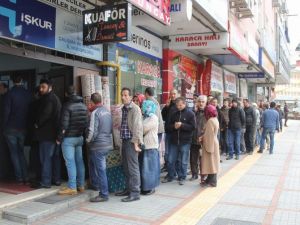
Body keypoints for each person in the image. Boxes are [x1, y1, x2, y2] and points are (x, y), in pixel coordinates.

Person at [57, 86, 88, 195]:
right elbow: (86, 123)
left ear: (66, 94)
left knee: (70, 163)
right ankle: (81, 185)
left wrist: (59, 138)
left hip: (69, 139)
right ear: (76, 93)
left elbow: (64, 125)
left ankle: (72, 187)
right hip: (79, 138)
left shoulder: (67, 106)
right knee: (79, 161)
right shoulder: (84, 106)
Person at [115, 87, 143, 202]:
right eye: (122, 95)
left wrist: (136, 143)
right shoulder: (124, 109)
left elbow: (137, 127)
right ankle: (128, 189)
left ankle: (135, 192)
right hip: (125, 140)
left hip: (132, 141)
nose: (123, 97)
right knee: (126, 167)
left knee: (133, 168)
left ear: (131, 97)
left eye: (126, 95)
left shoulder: (135, 109)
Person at [3, 76, 32, 184]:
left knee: (14, 153)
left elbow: (6, 112)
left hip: (10, 127)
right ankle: (26, 177)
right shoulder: (27, 94)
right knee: (20, 152)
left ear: (12, 81)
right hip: (23, 127)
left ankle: (19, 178)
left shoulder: (10, 94)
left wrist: (4, 126)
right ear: (22, 81)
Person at [34, 79, 61, 188]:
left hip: (47, 135)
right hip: (54, 134)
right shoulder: (54, 98)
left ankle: (46, 182)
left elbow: (46, 114)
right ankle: (56, 180)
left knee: (45, 159)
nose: (41, 89)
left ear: (50, 87)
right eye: (40, 87)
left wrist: (37, 123)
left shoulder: (49, 99)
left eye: (43, 87)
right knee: (54, 158)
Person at [87, 93, 113, 202]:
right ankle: (96, 185)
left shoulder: (95, 113)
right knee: (96, 166)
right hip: (107, 144)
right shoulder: (107, 111)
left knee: (101, 170)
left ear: (92, 102)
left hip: (98, 145)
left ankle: (103, 194)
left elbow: (93, 131)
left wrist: (87, 140)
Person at [163, 97, 196, 185]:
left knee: (183, 161)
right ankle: (171, 175)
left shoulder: (190, 114)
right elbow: (168, 127)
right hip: (174, 141)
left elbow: (193, 127)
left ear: (185, 104)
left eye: (180, 105)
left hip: (185, 141)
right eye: (177, 105)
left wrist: (182, 125)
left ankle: (182, 177)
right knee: (170, 160)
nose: (179, 107)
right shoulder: (174, 114)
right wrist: (174, 126)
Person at [140, 100, 160, 195]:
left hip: (151, 145)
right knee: (145, 168)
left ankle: (151, 187)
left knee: (150, 168)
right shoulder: (145, 117)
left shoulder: (153, 117)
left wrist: (139, 126)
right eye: (144, 106)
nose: (144, 108)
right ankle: (145, 186)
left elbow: (143, 129)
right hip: (145, 146)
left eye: (146, 106)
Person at [200, 105, 220, 187]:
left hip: (210, 143)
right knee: (213, 162)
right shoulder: (215, 119)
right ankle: (210, 180)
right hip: (214, 142)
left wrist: (202, 138)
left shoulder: (210, 121)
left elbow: (208, 135)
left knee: (211, 163)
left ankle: (212, 181)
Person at [190, 95, 207, 182]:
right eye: (199, 101)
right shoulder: (193, 112)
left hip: (203, 140)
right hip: (193, 138)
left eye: (203, 102)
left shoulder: (208, 113)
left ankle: (203, 176)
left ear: (205, 103)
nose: (201, 103)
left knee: (203, 159)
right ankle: (194, 174)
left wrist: (204, 136)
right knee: (193, 158)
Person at [161, 89, 178, 171]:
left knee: (173, 151)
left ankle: (173, 169)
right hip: (168, 131)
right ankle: (168, 166)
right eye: (171, 94)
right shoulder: (168, 104)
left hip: (176, 132)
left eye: (174, 94)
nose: (173, 95)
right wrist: (166, 107)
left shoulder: (179, 104)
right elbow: (163, 116)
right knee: (167, 151)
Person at [0, 82, 12, 180]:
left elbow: (5, 114)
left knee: (5, 152)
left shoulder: (6, 98)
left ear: (5, 88)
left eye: (0, 88)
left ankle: (5, 174)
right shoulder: (6, 97)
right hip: (8, 129)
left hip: (6, 129)